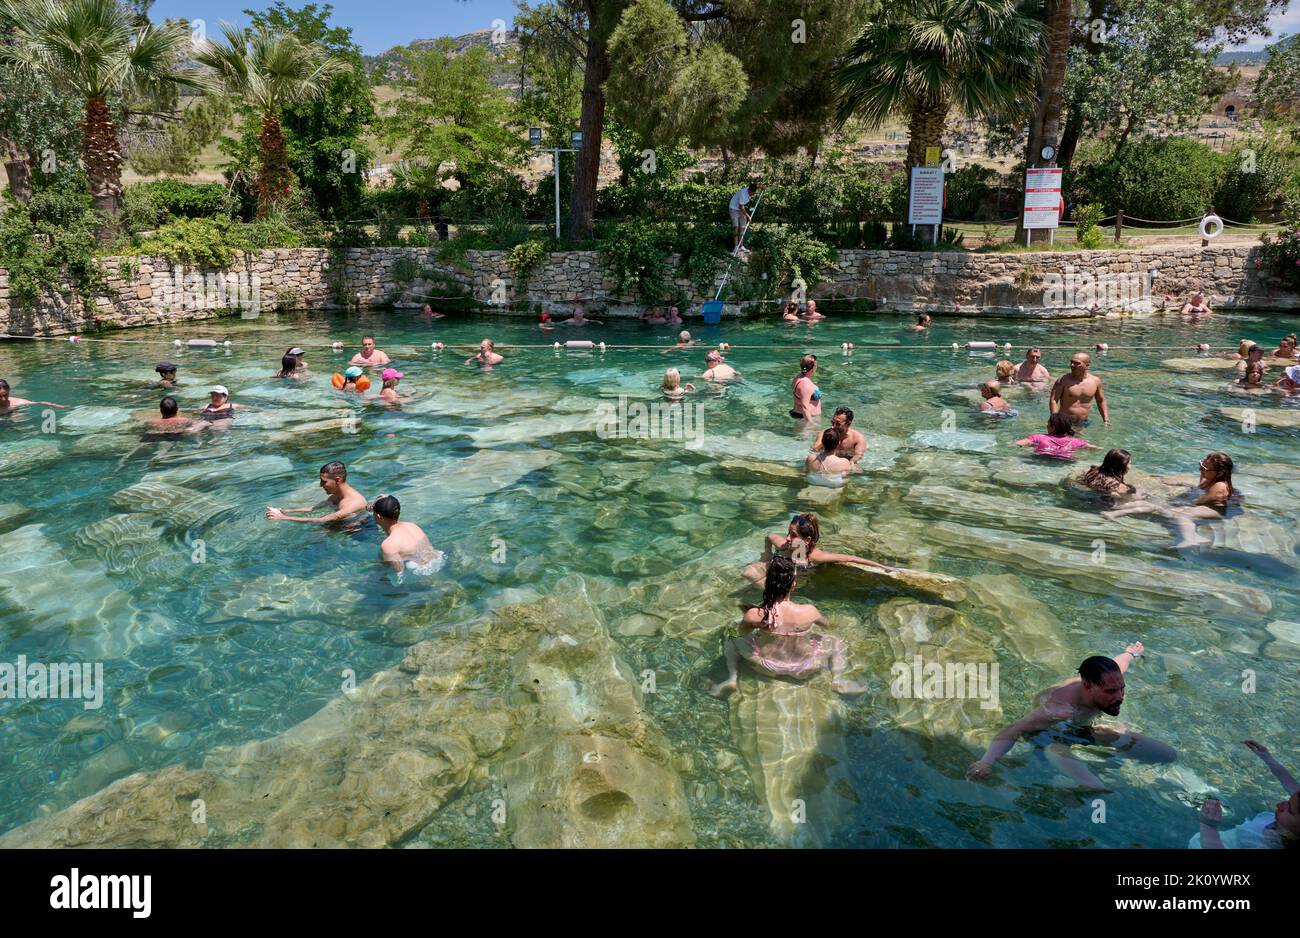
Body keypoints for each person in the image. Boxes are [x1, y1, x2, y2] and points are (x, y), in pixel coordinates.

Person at [966, 644, 1176, 789]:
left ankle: (1098, 764)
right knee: (1093, 784)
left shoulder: (1107, 678)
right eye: (1111, 692)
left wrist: (1131, 653)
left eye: (1121, 689)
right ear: (1087, 685)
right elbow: (1014, 729)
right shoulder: (1059, 709)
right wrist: (986, 762)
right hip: (1051, 733)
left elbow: (1119, 663)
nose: (1120, 696)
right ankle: (1074, 784)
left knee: (1166, 754)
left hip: (1082, 727)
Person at [710, 556, 864, 698]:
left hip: (767, 666)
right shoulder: (810, 611)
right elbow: (826, 625)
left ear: (767, 584)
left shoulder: (755, 614)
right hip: (805, 667)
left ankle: (732, 678)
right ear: (793, 585)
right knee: (838, 642)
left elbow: (741, 634)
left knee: (730, 632)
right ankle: (837, 680)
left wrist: (757, 628)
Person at [1102, 452, 1237, 547]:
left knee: (1183, 514)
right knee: (1169, 512)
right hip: (1206, 505)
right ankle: (1192, 535)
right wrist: (1180, 485)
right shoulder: (1210, 479)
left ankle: (1189, 540)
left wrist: (1180, 505)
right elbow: (1198, 488)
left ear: (1219, 473)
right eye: (1201, 464)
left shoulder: (1219, 486)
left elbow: (1198, 501)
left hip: (1215, 510)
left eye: (1205, 468)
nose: (1201, 469)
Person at [1194, 740, 1299, 849]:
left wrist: (1208, 826)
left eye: (1290, 810)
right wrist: (1267, 757)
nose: (1279, 805)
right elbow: (1290, 784)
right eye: (1288, 800)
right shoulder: (1294, 814)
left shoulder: (1270, 844)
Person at [743, 512, 893, 584]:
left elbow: (850, 558)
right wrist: (767, 555)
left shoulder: (814, 556)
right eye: (788, 532)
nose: (787, 538)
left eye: (793, 535)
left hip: (797, 581)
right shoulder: (783, 545)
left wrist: (882, 567)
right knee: (748, 573)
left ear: (807, 540)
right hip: (780, 572)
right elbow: (769, 536)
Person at [266, 460, 368, 524]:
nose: (320, 485)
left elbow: (321, 520)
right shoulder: (337, 494)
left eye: (324, 482)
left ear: (338, 480)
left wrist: (283, 518)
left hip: (355, 535)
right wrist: (285, 511)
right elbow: (314, 508)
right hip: (338, 526)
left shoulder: (354, 503)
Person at [373, 494, 444, 575]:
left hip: (422, 571)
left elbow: (398, 570)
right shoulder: (412, 526)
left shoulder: (388, 545)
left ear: (379, 517)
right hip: (438, 558)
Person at [1050, 352, 1110, 427]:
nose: (1072, 365)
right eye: (1071, 362)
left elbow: (1101, 400)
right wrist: (1055, 419)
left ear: (1087, 365)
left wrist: (1106, 419)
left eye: (1076, 363)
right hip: (1065, 421)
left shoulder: (1095, 381)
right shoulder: (1063, 380)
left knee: (1082, 438)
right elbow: (1054, 400)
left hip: (1084, 422)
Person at [1015, 412, 1098, 460]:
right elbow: (1096, 448)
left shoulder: (1038, 437)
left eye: (1048, 423)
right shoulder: (1076, 441)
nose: (1047, 425)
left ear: (1052, 426)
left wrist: (1032, 445)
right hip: (1065, 461)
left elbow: (1018, 444)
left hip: (1042, 460)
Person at [729, 180, 759, 251]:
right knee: (736, 227)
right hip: (734, 208)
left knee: (743, 227)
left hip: (741, 208)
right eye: (752, 193)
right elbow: (741, 207)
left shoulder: (751, 188)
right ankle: (736, 247)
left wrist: (762, 187)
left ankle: (741, 246)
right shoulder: (743, 194)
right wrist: (748, 216)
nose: (753, 195)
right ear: (749, 191)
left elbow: (757, 185)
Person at [791, 354, 822, 421]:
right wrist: (811, 424)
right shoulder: (805, 385)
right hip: (805, 419)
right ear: (814, 367)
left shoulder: (799, 377)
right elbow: (805, 407)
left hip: (801, 416)